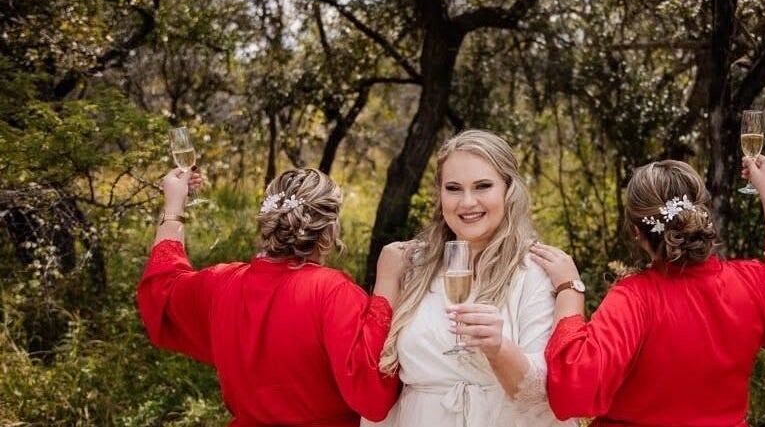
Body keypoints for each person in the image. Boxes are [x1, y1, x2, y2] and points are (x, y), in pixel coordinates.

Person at [530, 155, 765, 426]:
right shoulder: (751, 284)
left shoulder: (633, 300)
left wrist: (570, 289)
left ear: (634, 231)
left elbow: (573, 390)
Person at [137, 167, 401, 427]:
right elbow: (373, 394)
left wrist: (173, 205)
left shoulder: (221, 283)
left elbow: (162, 290)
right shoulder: (333, 293)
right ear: (329, 232)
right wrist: (387, 283)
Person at [363, 129, 575, 427]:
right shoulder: (412, 266)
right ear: (440, 194)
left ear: (508, 189)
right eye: (453, 188)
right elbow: (380, 380)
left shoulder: (535, 270)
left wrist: (499, 348)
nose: (467, 202)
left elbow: (542, 394)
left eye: (483, 186)